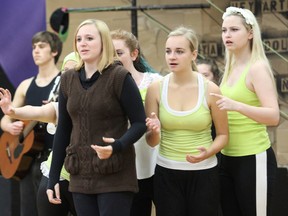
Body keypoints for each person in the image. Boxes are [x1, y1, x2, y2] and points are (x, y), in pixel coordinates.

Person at [46, 19, 146, 216]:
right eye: (79, 39)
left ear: (104, 43)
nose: (83, 43)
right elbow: (64, 130)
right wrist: (53, 177)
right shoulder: (68, 79)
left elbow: (140, 123)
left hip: (115, 175)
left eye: (90, 38)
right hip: (80, 177)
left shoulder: (119, 76)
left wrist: (116, 146)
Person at [145, 26, 229, 216]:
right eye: (168, 51)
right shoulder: (155, 89)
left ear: (194, 54)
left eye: (179, 51)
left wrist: (208, 152)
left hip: (205, 174)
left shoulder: (210, 89)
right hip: (166, 173)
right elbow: (151, 141)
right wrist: (155, 132)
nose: (172, 56)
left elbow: (223, 135)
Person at [213, 6, 280, 216]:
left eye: (234, 30)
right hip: (227, 158)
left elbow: (273, 116)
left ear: (250, 33)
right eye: (224, 30)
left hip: (253, 157)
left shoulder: (257, 67)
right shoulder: (230, 67)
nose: (227, 35)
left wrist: (237, 106)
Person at [0, 52, 77, 216]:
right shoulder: (28, 86)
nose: (36, 51)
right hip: (42, 165)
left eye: (41, 47)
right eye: (66, 72)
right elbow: (37, 111)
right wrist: (12, 112)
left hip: (77, 172)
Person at [110, 29, 162, 216]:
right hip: (126, 169)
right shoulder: (105, 87)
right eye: (110, 53)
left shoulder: (155, 82)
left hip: (157, 164)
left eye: (119, 53)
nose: (114, 58)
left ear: (134, 54)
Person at [196, 57, 222, 140]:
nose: (201, 78)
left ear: (215, 77)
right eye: (197, 75)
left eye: (205, 75)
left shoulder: (220, 98)